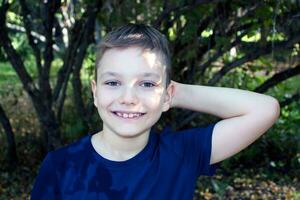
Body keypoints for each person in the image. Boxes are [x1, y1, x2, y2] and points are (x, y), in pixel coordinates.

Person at [31, 23, 280, 199]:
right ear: (95, 92)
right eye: (113, 82)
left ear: (167, 95)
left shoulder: (181, 154)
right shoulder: (60, 165)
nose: (128, 98)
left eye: (147, 84)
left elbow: (264, 109)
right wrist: (157, 90)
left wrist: (172, 93)